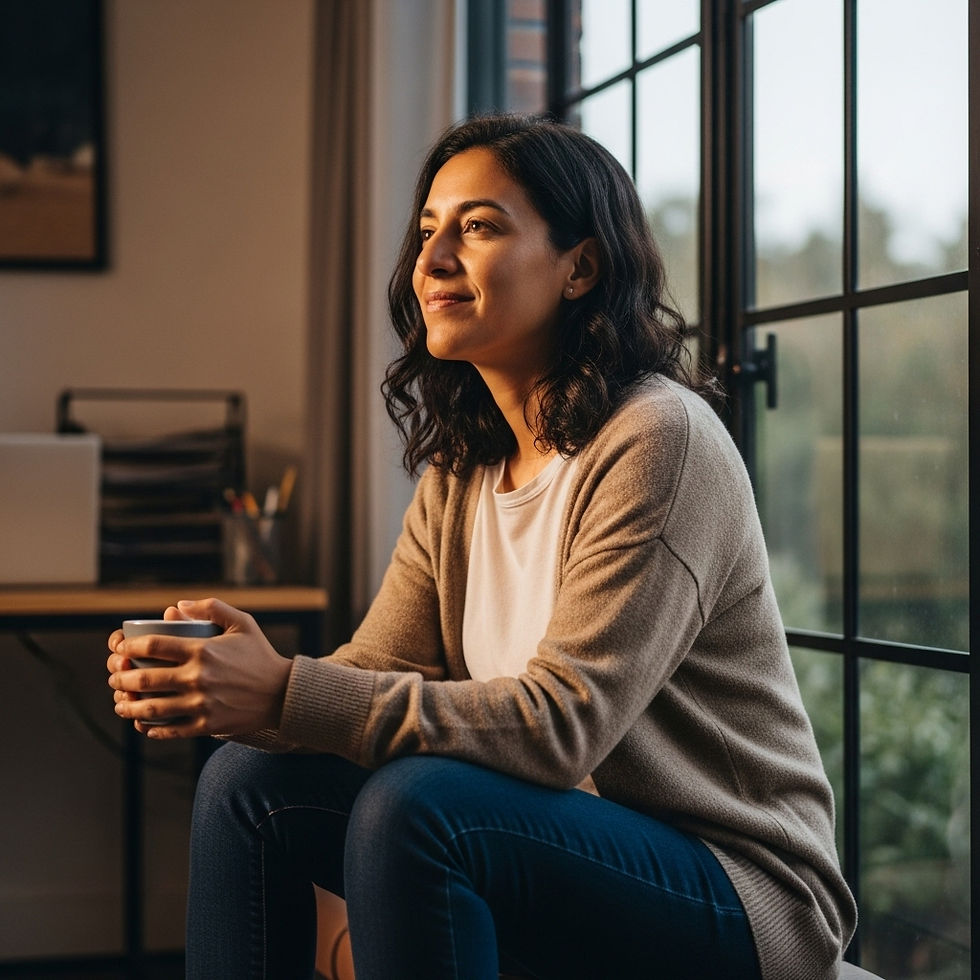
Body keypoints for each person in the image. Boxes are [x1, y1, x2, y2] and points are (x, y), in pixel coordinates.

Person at [107, 113, 856, 980]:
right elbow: (376, 667)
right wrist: (239, 696)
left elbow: (559, 727)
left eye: (478, 227)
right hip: (559, 842)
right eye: (427, 231)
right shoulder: (465, 467)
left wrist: (284, 687)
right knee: (247, 785)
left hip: (739, 884)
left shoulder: (658, 438)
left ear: (581, 266)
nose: (429, 262)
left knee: (416, 805)